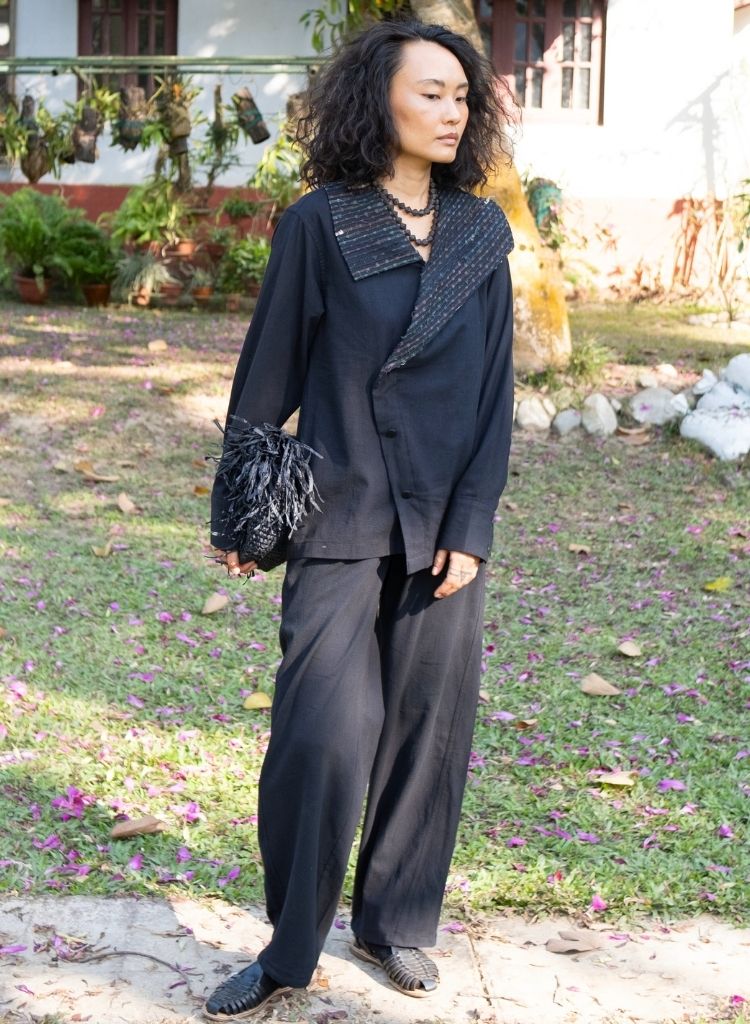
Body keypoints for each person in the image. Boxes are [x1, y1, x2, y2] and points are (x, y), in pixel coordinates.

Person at [205, 17, 515, 1021]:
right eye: (431, 91)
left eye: (461, 96)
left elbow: (495, 394)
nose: (451, 110)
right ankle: (289, 948)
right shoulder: (320, 222)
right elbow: (269, 369)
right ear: (377, 99)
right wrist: (244, 514)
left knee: (426, 733)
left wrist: (473, 523)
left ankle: (393, 923)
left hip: (441, 525)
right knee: (320, 737)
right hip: (341, 514)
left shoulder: (481, 232)